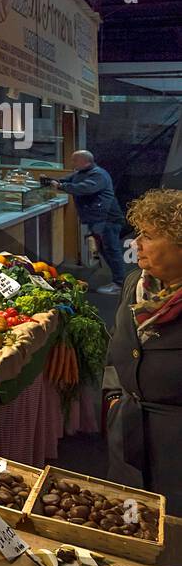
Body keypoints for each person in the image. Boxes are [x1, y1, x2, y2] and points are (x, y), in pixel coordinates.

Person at [105, 189, 182, 507]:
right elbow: (117, 347)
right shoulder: (135, 282)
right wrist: (112, 400)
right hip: (127, 434)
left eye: (148, 236)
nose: (136, 243)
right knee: (126, 523)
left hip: (175, 453)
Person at [42, 150, 126, 294]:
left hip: (107, 219)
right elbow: (65, 180)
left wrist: (61, 187)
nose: (72, 163)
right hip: (97, 220)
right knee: (105, 251)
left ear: (85, 161)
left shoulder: (98, 174)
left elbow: (84, 188)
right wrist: (49, 180)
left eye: (75, 160)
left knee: (112, 251)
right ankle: (118, 281)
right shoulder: (80, 173)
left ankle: (120, 284)